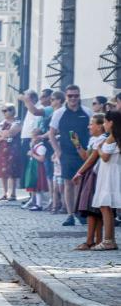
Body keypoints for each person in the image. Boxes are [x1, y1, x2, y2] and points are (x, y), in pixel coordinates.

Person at [49, 84, 92, 226]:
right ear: (66, 97)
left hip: (84, 153)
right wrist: (58, 151)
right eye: (70, 96)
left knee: (82, 183)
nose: (73, 98)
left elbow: (93, 131)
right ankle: (70, 215)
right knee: (68, 183)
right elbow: (51, 134)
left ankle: (80, 212)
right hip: (66, 153)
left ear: (80, 96)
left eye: (76, 95)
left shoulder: (87, 112)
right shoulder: (59, 113)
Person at [71, 113, 107, 250]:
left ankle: (91, 240)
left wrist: (79, 172)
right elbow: (86, 157)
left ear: (100, 126)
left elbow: (91, 160)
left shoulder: (102, 139)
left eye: (92, 123)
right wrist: (77, 144)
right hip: (90, 174)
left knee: (92, 209)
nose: (89, 126)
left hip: (96, 175)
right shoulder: (94, 139)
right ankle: (96, 240)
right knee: (94, 209)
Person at [90, 110, 121, 251]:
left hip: (109, 175)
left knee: (105, 206)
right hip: (113, 172)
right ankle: (110, 239)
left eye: (105, 122)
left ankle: (108, 240)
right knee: (108, 206)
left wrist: (99, 148)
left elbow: (105, 157)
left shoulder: (112, 137)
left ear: (111, 123)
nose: (104, 125)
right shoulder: (115, 137)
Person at [18, 90, 43, 209]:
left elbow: (36, 127)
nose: (24, 100)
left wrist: (32, 142)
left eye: (27, 98)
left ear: (32, 99)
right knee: (27, 170)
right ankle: (31, 197)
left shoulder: (37, 109)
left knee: (31, 170)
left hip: (30, 140)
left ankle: (34, 199)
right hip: (26, 139)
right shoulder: (29, 110)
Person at [0, 103, 22, 201]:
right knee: (3, 172)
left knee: (12, 172)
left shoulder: (18, 122)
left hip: (13, 149)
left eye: (6, 110)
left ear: (13, 111)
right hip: (2, 149)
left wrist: (3, 135)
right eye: (3, 111)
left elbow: (11, 133)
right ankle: (5, 193)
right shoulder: (1, 123)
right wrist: (3, 136)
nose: (4, 113)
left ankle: (13, 194)